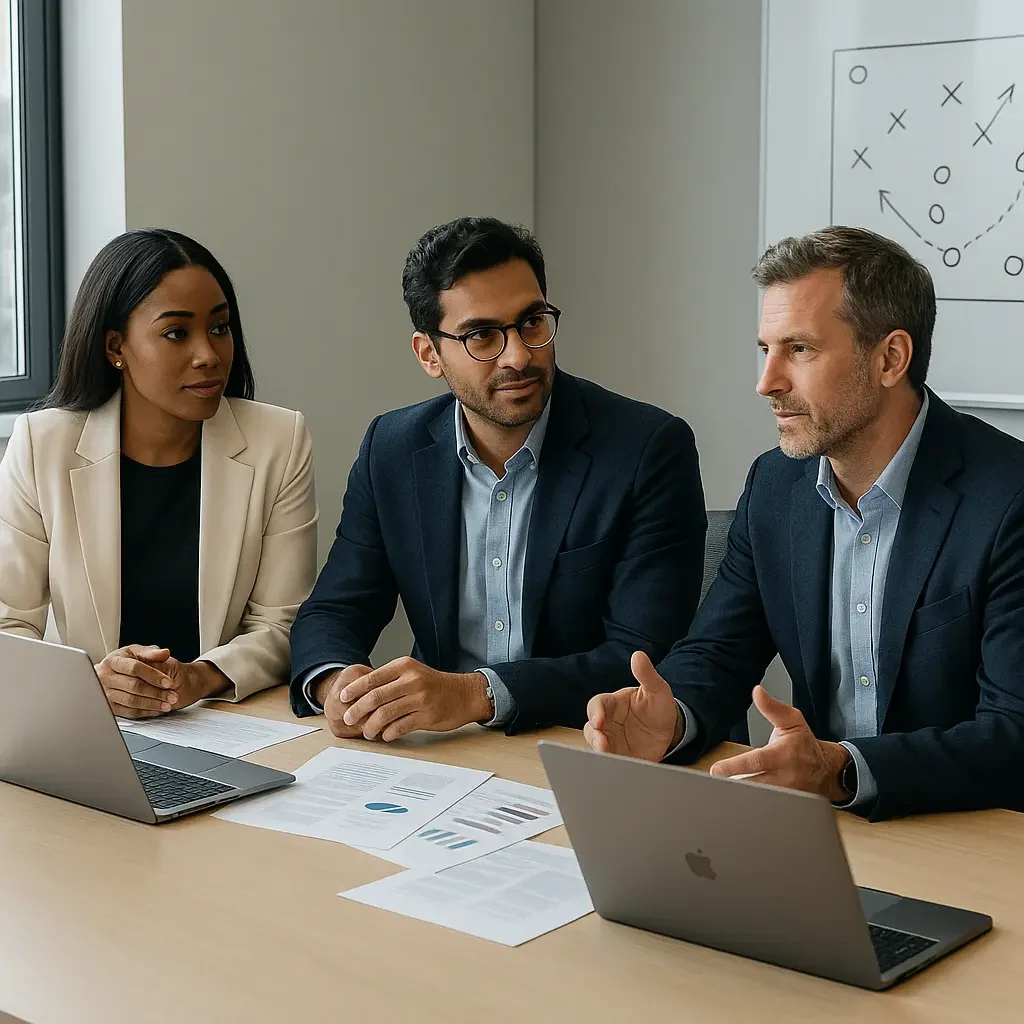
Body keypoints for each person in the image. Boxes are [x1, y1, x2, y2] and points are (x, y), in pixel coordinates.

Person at [584, 225, 1024, 821]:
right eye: (765, 349)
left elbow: (1012, 736)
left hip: (973, 835)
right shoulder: (776, 485)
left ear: (890, 357)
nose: (767, 383)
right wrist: (672, 718)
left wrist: (840, 769)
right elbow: (718, 654)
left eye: (801, 349)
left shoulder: (1008, 497)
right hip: (823, 829)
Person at [290, 216, 706, 741]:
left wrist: (474, 694)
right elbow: (334, 609)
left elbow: (642, 657)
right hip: (448, 750)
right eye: (482, 335)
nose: (518, 355)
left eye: (532, 322)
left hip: (592, 743)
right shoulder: (392, 448)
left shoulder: (647, 448)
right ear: (428, 354)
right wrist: (339, 685)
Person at [0, 229, 318, 718]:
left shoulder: (279, 440)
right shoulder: (43, 446)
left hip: (225, 719)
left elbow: (283, 623)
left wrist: (199, 677)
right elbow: (7, 625)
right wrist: (90, 683)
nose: (209, 354)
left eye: (220, 327)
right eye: (176, 333)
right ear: (115, 347)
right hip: (89, 724)